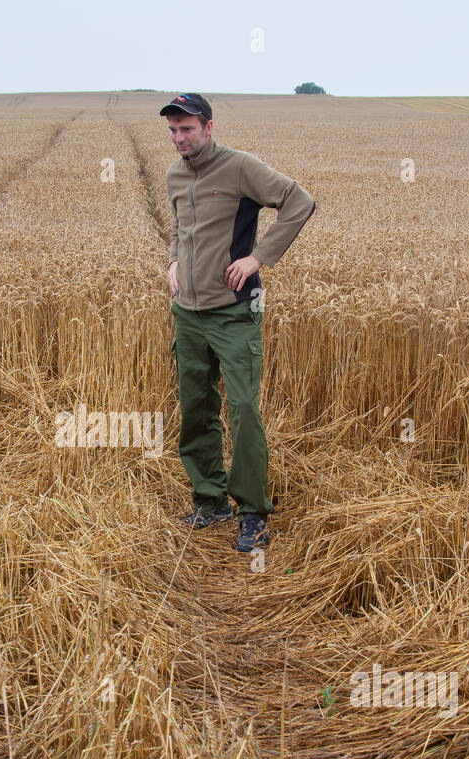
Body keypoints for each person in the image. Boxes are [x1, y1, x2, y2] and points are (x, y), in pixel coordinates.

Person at [161, 93, 316, 552]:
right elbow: (179, 227)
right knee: (196, 409)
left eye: (187, 129)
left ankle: (252, 512)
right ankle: (210, 502)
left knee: (244, 410)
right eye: (172, 130)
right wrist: (173, 261)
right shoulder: (173, 174)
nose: (179, 138)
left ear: (208, 127)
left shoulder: (239, 167)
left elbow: (298, 201)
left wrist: (258, 258)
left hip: (233, 313)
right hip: (187, 314)